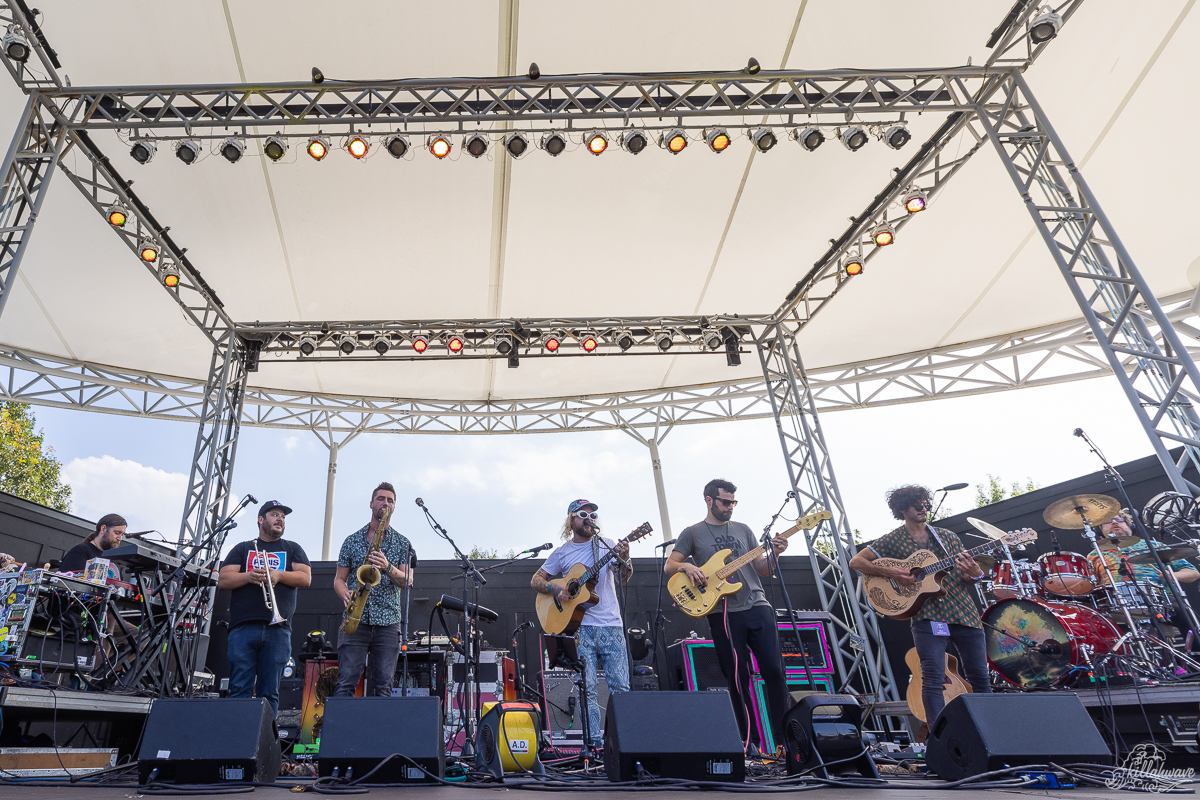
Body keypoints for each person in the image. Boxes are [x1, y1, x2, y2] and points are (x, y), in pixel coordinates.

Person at [848, 485, 991, 729]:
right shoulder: (893, 539)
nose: (924, 508)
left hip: (964, 612)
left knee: (980, 676)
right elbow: (856, 561)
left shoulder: (947, 537)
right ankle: (938, 738)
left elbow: (967, 578)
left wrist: (976, 574)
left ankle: (991, 730)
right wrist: (892, 571)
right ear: (903, 509)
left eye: (926, 504)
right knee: (933, 678)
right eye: (918, 505)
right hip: (927, 616)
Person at [664, 480, 789, 754]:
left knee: (775, 672)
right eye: (724, 502)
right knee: (736, 676)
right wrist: (687, 566)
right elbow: (669, 565)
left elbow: (762, 569)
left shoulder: (744, 530)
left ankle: (784, 741)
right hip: (723, 613)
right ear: (709, 500)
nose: (730, 507)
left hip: (757, 605)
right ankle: (749, 742)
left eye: (733, 502)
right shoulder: (693, 532)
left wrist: (775, 552)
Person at [532, 499, 632, 752]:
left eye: (593, 514)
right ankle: (594, 745)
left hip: (612, 626)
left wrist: (625, 558)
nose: (590, 518)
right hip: (579, 629)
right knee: (586, 688)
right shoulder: (563, 552)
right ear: (571, 520)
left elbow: (624, 578)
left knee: (621, 688)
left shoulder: (607, 545)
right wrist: (557, 589)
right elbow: (536, 580)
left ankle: (624, 744)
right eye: (583, 514)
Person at [217, 500, 311, 715]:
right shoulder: (243, 548)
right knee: (239, 688)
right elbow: (223, 580)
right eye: (274, 514)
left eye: (283, 516)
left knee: (270, 692)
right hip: (243, 626)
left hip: (278, 628)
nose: (280, 519)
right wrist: (248, 576)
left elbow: (305, 578)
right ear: (260, 520)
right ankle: (237, 739)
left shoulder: (292, 548)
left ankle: (265, 744)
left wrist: (278, 575)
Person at [333, 482, 412, 697]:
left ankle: (379, 731)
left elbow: (408, 581)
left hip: (388, 623)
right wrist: (345, 593)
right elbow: (339, 579)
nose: (385, 503)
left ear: (394, 507)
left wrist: (387, 567)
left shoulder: (403, 543)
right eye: (381, 499)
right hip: (355, 619)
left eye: (390, 500)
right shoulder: (351, 541)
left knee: (383, 687)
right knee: (346, 683)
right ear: (371, 504)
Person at [1090, 511, 1199, 588]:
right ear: (1099, 531)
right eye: (1108, 521)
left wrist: (1174, 575)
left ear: (1130, 526)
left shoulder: (1154, 545)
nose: (1114, 522)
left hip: (1166, 599)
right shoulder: (1095, 554)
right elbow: (1089, 586)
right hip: (1119, 605)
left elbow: (1193, 572)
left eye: (1120, 519)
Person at [61, 514, 127, 572]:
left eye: (122, 535)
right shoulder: (81, 551)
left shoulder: (115, 560)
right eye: (117, 533)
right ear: (103, 529)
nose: (120, 538)